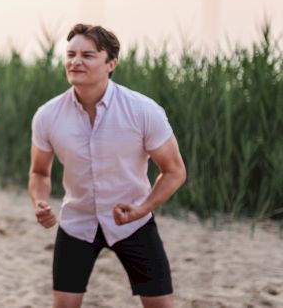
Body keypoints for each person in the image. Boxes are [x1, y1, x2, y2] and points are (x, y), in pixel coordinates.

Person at [28, 24, 187, 308]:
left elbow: (174, 170)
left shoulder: (143, 110)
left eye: (87, 55)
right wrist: (39, 201)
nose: (75, 62)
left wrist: (143, 208)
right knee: (64, 304)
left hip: (133, 222)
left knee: (161, 306)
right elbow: (39, 171)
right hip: (77, 222)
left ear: (111, 63)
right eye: (71, 54)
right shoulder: (47, 115)